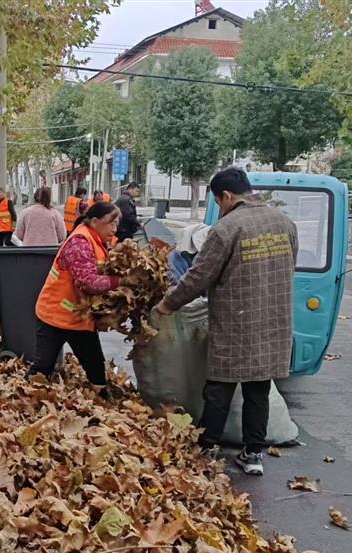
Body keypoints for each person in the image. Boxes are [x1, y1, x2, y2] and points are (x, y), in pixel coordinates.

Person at [153, 167, 297, 476]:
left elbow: (199, 276)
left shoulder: (226, 228)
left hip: (235, 322)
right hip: (274, 322)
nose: (220, 207)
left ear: (227, 196)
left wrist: (167, 304)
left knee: (219, 388)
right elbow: (288, 265)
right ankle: (253, 454)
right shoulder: (284, 223)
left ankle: (207, 447)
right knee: (258, 391)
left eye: (218, 201)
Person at [31, 201, 122, 387]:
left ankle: (101, 395)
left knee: (95, 367)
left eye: (116, 224)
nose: (114, 228)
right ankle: (24, 395)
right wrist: (120, 282)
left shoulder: (98, 240)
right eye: (110, 223)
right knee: (43, 367)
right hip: (54, 315)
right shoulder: (80, 242)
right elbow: (88, 282)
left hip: (79, 318)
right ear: (95, 221)